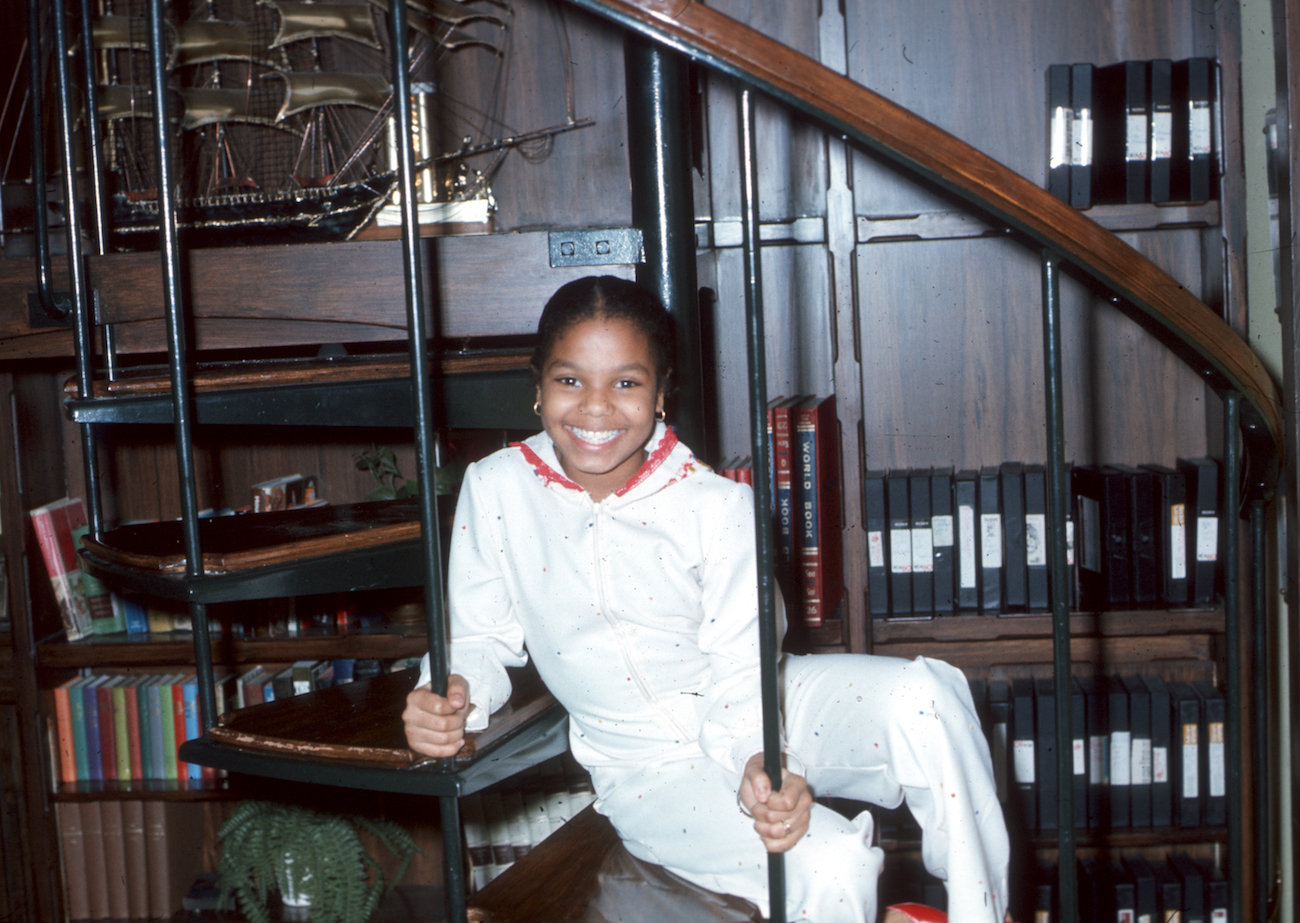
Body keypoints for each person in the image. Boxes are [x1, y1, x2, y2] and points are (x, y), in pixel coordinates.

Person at [403, 275, 1009, 922]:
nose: (596, 408)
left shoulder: (717, 504)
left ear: (663, 394)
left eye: (627, 383)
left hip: (759, 700)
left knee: (929, 697)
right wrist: (448, 696)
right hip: (654, 772)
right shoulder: (495, 490)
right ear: (538, 386)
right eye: (570, 380)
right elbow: (475, 637)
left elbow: (744, 665)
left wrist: (762, 760)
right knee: (833, 862)